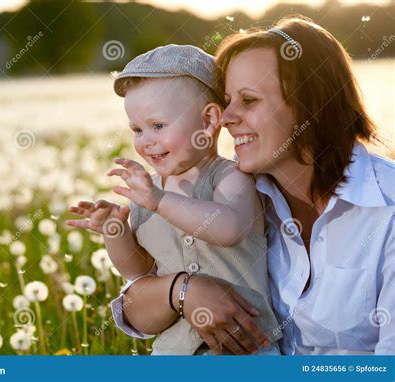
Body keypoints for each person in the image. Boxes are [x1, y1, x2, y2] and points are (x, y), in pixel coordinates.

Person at [110, 16, 395, 355]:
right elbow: (134, 308)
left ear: (311, 105)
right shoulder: (236, 194)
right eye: (227, 100)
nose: (226, 118)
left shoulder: (386, 207)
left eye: (248, 101)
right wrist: (183, 291)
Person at [66, 44, 281, 355]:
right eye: (137, 129)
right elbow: (139, 272)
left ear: (208, 122)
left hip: (246, 349)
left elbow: (229, 228)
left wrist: (159, 201)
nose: (146, 141)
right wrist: (115, 231)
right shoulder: (146, 194)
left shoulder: (230, 178)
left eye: (158, 126)